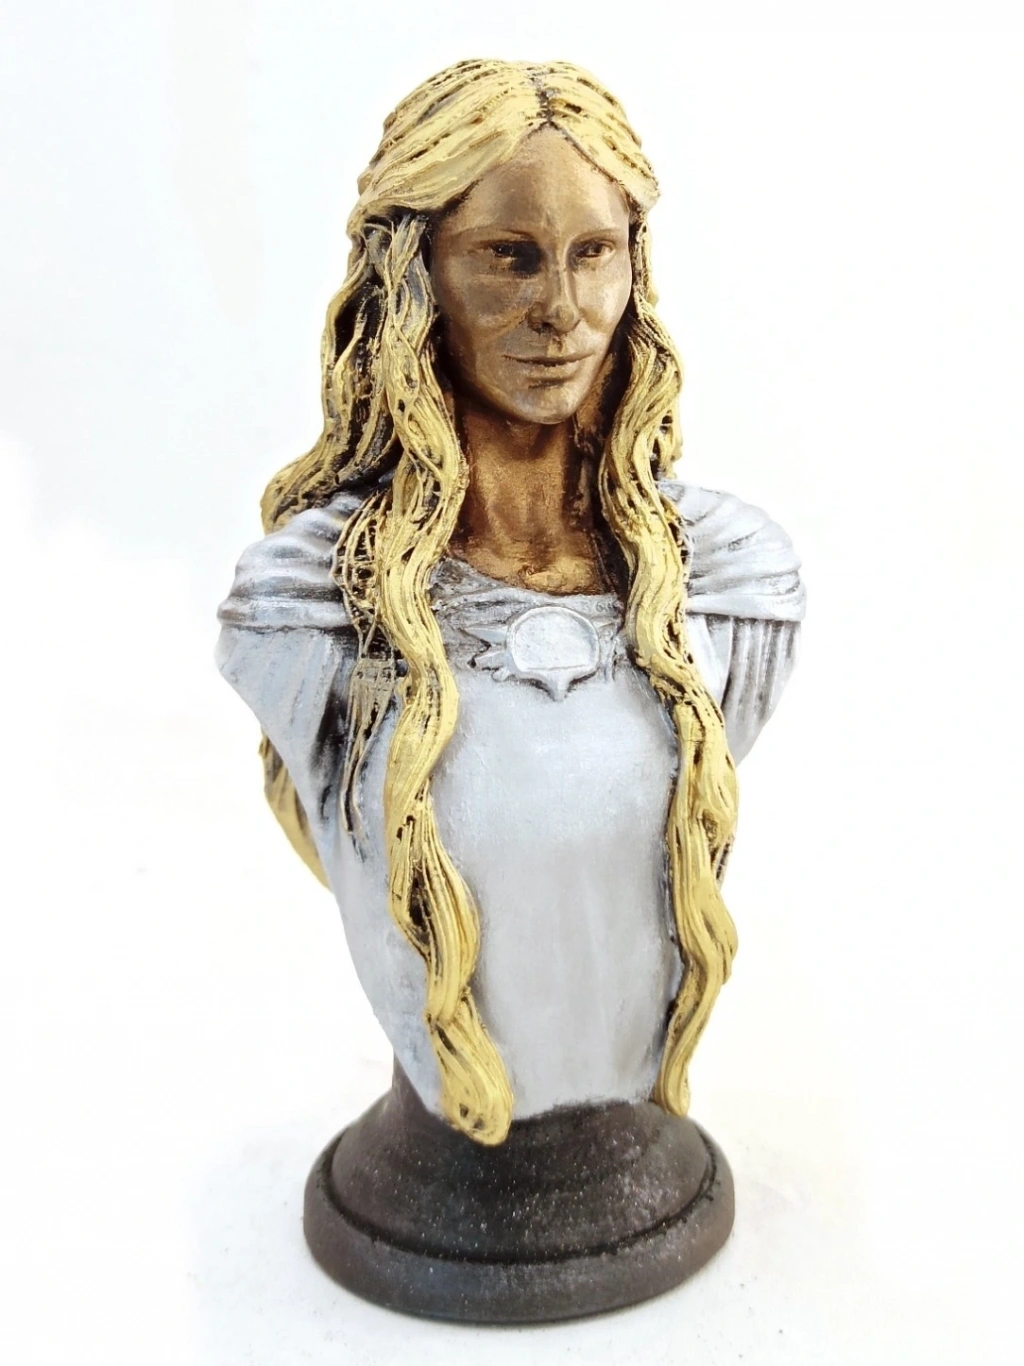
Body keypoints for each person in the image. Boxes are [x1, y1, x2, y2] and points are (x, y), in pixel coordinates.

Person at [216, 59, 804, 1151]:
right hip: (441, 1141)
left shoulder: (733, 584)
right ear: (418, 277)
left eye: (594, 253)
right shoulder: (305, 609)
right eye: (509, 256)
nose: (563, 313)